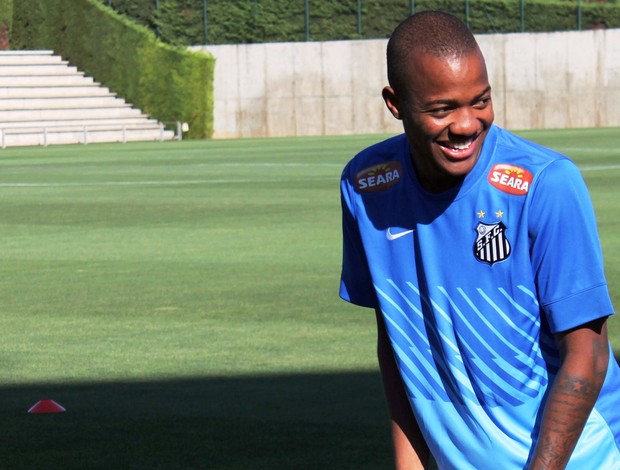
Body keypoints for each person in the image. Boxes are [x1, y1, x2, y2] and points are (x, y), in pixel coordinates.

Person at [339, 10, 620, 470]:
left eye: (481, 100)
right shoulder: (366, 185)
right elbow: (395, 340)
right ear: (396, 103)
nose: (468, 124)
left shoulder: (547, 184)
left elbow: (586, 357)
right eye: (443, 109)